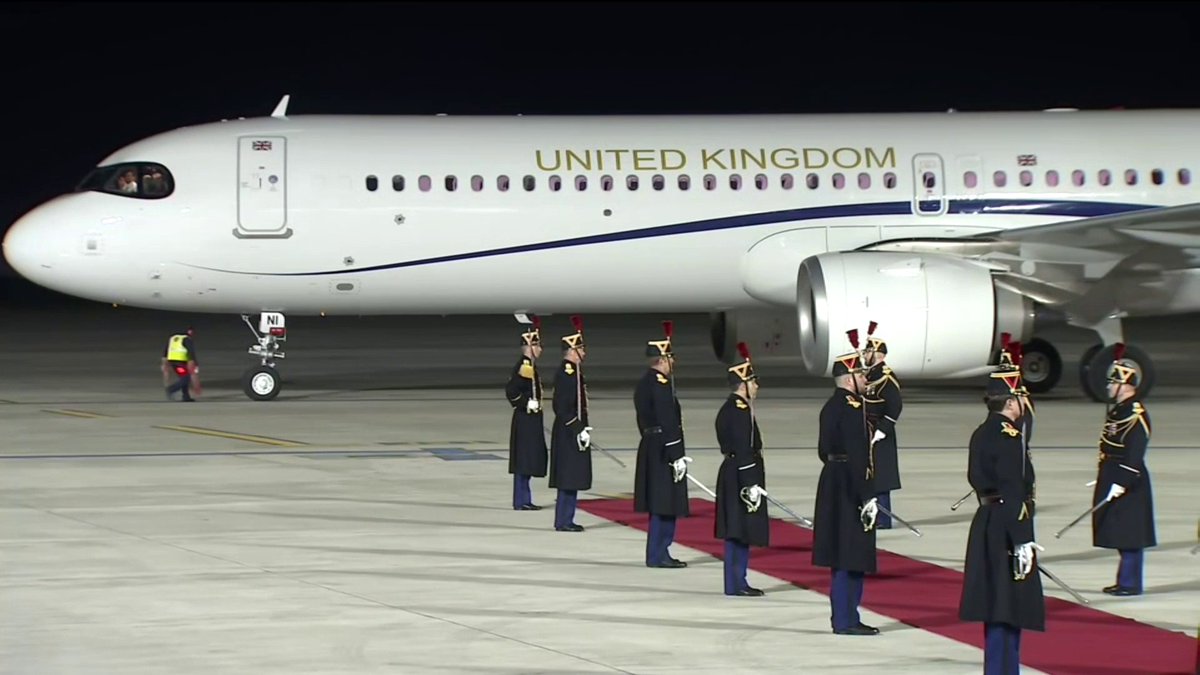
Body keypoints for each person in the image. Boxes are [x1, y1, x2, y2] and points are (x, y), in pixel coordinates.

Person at [959, 365, 1045, 675]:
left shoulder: (981, 433)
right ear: (1010, 402)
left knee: (996, 604)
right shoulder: (1009, 438)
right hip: (1008, 527)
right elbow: (1014, 490)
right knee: (1008, 605)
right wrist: (1022, 539)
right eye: (1020, 398)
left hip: (986, 521)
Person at [812, 337, 879, 635]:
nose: (866, 379)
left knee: (841, 553)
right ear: (850, 378)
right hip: (850, 486)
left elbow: (823, 450)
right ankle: (846, 618)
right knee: (851, 553)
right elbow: (857, 455)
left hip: (832, 481)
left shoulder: (830, 406)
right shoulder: (852, 408)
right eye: (863, 375)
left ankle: (844, 616)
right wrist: (867, 496)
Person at [1091, 344, 1156, 596]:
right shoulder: (1120, 410)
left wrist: (1122, 480)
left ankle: (1131, 583)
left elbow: (1135, 452)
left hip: (1128, 478)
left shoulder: (1136, 413)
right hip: (1111, 471)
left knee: (1130, 533)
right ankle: (1124, 580)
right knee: (1117, 529)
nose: (1109, 387)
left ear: (1126, 385)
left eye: (1113, 382)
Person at [633, 321, 691, 568]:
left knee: (660, 501)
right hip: (664, 448)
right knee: (665, 502)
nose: (673, 363)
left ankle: (656, 552)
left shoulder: (644, 383)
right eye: (670, 358)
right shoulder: (660, 386)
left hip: (650, 444)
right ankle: (660, 552)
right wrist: (677, 454)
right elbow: (669, 421)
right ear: (663, 359)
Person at [714, 342, 768, 596]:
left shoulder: (734, 409)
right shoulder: (738, 411)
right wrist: (751, 483)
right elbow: (744, 447)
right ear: (743, 384)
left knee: (738, 529)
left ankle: (736, 581)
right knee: (738, 529)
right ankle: (737, 582)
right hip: (740, 474)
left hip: (735, 471)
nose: (756, 387)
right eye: (753, 382)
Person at [549, 316, 592, 532]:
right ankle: (564, 519)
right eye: (581, 349)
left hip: (574, 429)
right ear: (572, 350)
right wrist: (577, 427)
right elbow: (562, 406)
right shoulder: (567, 374)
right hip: (568, 431)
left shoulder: (574, 372)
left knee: (573, 475)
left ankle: (567, 517)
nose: (584, 354)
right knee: (568, 476)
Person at [504, 315, 548, 511]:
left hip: (531, 417)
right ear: (530, 347)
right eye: (537, 346)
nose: (540, 349)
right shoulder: (525, 366)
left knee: (529, 458)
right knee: (524, 459)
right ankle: (521, 500)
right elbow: (512, 391)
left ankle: (524, 499)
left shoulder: (530, 366)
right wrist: (525, 403)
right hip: (525, 419)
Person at [862, 321, 902, 529]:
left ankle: (884, 518)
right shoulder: (867, 375)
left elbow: (895, 406)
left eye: (869, 350)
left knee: (881, 476)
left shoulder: (886, 378)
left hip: (879, 432)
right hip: (865, 429)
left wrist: (883, 430)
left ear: (879, 355)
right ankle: (871, 513)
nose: (865, 354)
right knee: (868, 473)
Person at [162, 328, 199, 402]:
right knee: (186, 379)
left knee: (184, 377)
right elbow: (191, 352)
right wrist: (195, 363)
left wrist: (164, 363)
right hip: (179, 363)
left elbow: (166, 351)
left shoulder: (173, 338)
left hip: (173, 361)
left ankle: (186, 396)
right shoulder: (187, 339)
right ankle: (171, 389)